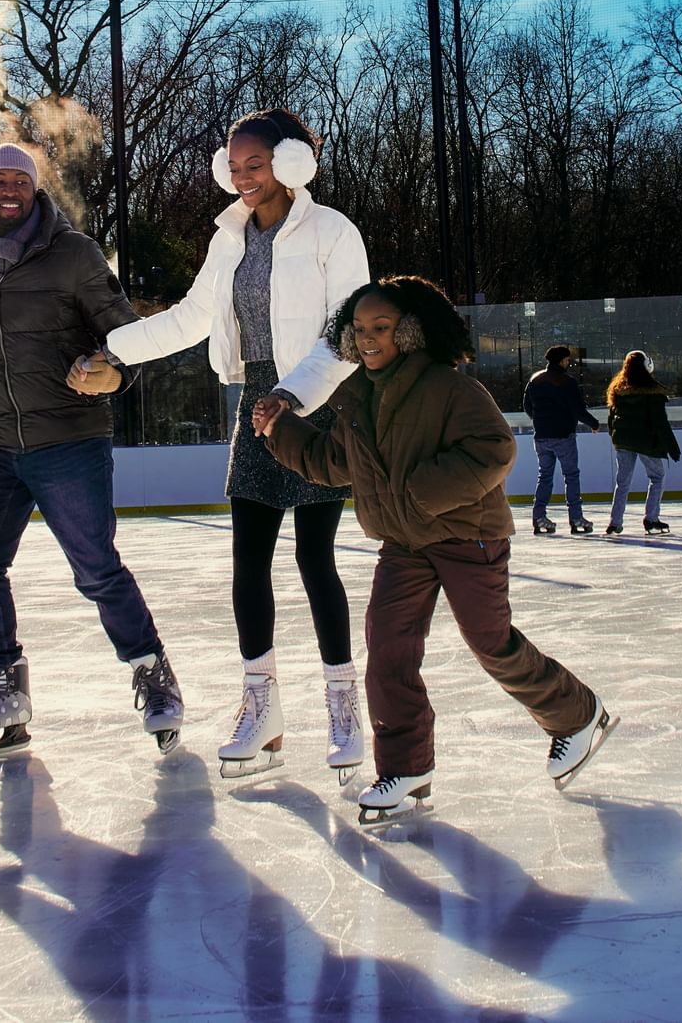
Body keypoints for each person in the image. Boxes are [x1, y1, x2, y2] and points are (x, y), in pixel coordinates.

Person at [70, 109, 371, 782]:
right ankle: (262, 709)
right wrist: (110, 346)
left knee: (316, 559)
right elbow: (190, 318)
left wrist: (294, 396)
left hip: (316, 402)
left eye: (254, 166)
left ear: (293, 162)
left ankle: (345, 708)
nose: (242, 180)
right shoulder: (229, 237)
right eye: (232, 168)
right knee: (248, 563)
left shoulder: (332, 232)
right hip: (256, 401)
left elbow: (349, 331)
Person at [257, 275, 617, 827]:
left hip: (466, 536)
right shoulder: (355, 396)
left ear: (412, 330)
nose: (370, 339)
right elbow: (333, 464)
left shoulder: (448, 388)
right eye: (359, 330)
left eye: (382, 327)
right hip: (403, 545)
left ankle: (576, 715)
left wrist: (421, 494)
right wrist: (281, 431)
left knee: (491, 644)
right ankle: (405, 768)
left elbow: (495, 450)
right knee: (388, 653)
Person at [0, 142, 186, 759]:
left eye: (20, 179)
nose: (8, 189)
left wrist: (113, 373)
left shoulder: (74, 255)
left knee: (95, 568)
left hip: (70, 439)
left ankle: (153, 672)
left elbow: (127, 339)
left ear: (35, 190)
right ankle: (5, 684)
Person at [522, 344, 602, 535]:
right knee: (571, 476)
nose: (569, 363)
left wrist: (539, 421)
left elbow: (527, 405)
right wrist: (594, 423)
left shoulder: (535, 380)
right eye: (567, 360)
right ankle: (575, 518)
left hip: (541, 437)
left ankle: (539, 516)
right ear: (561, 361)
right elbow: (577, 409)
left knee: (545, 476)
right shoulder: (567, 382)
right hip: (563, 436)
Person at [604, 350, 680, 536]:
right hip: (646, 441)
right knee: (657, 477)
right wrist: (673, 448)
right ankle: (651, 519)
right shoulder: (652, 392)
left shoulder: (618, 389)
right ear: (647, 366)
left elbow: (611, 417)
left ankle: (615, 522)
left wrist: (615, 437)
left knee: (622, 482)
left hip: (623, 440)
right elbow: (660, 423)